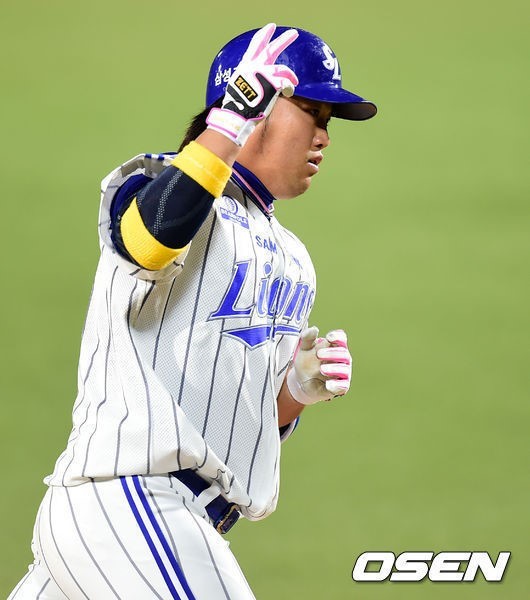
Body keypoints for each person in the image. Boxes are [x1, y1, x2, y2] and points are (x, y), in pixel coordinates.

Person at [9, 23, 377, 600]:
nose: (324, 136)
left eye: (328, 120)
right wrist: (226, 124)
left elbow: (240, 422)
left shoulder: (296, 260)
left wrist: (294, 391)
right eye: (312, 112)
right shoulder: (163, 182)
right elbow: (147, 240)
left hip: (170, 521)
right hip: (128, 501)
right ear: (254, 103)